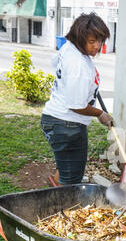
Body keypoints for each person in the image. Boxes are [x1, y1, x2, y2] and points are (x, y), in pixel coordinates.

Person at [41, 13, 113, 185]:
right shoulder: (78, 64)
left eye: (100, 41)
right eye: (91, 41)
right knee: (71, 181)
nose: (97, 46)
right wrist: (100, 113)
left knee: (65, 170)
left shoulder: (69, 49)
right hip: (67, 125)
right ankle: (60, 208)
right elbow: (76, 105)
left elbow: (55, 63)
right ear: (80, 38)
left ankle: (53, 199)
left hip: (57, 120)